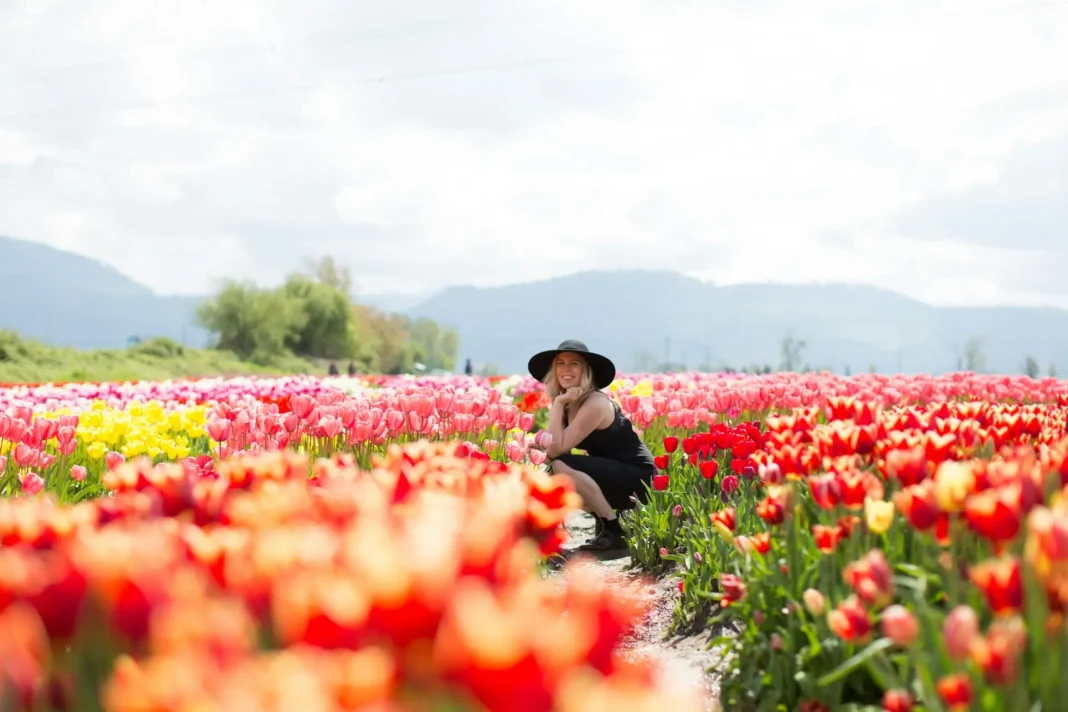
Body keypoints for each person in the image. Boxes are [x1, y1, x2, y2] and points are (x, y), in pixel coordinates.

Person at [527, 339, 656, 550]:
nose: (566, 369)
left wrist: (557, 404)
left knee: (559, 466)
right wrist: (539, 451)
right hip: (615, 474)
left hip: (640, 478)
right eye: (560, 363)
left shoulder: (595, 403)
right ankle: (606, 523)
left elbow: (557, 451)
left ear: (586, 370)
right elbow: (553, 450)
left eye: (574, 363)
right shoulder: (570, 403)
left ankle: (614, 529)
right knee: (554, 475)